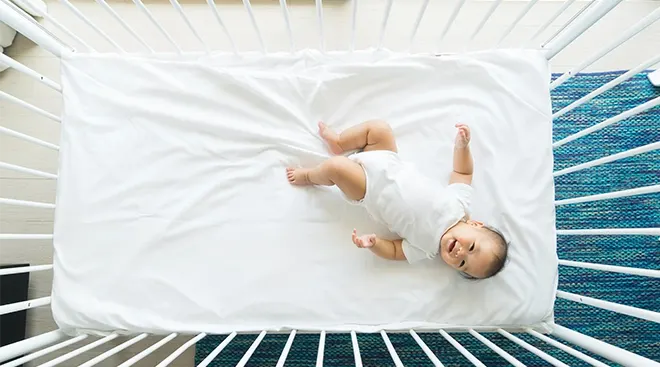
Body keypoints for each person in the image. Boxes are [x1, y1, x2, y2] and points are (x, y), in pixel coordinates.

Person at [286, 120, 508, 279]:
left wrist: (374, 244)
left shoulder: (426, 248)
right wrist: (462, 147)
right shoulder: (459, 204)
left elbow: (394, 251)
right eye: (471, 247)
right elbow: (462, 172)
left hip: (367, 188)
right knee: (380, 129)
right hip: (388, 160)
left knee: (335, 168)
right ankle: (339, 142)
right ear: (475, 225)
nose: (460, 254)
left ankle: (309, 175)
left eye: (462, 264)